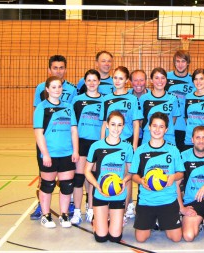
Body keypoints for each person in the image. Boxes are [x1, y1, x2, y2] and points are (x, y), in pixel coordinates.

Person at [31, 55, 77, 220]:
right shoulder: (40, 88)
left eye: (61, 67)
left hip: (65, 142)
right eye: (55, 68)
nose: (58, 70)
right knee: (46, 176)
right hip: (47, 142)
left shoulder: (72, 89)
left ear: (65, 69)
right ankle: (42, 208)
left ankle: (67, 206)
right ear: (49, 69)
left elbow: (72, 115)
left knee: (67, 180)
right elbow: (39, 113)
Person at [129, 112, 184, 243]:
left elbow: (181, 173)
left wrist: (173, 177)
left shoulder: (173, 150)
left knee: (176, 238)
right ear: (149, 127)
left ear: (166, 129)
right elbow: (133, 175)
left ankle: (162, 221)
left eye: (161, 126)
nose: (157, 130)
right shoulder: (140, 151)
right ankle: (154, 221)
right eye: (154, 126)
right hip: (147, 201)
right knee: (141, 239)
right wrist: (141, 181)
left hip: (168, 200)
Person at [84, 111, 133, 243]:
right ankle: (97, 221)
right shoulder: (96, 146)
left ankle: (112, 219)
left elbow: (131, 172)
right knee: (101, 237)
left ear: (123, 127)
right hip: (101, 193)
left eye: (119, 125)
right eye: (113, 124)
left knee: (115, 237)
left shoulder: (127, 148)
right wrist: (96, 185)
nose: (116, 129)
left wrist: (124, 181)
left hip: (118, 193)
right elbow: (87, 171)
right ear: (106, 125)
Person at [70, 69, 104, 225]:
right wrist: (75, 149)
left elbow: (105, 125)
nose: (91, 83)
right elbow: (73, 126)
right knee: (79, 178)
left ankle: (91, 209)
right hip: (82, 142)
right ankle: (77, 211)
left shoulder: (104, 100)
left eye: (94, 80)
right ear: (84, 82)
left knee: (93, 179)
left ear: (99, 82)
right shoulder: (77, 100)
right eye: (88, 80)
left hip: (96, 144)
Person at [99, 66, 142, 150]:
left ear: (126, 80)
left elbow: (136, 124)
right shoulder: (106, 99)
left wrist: (135, 145)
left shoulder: (133, 99)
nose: (117, 81)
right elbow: (104, 124)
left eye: (121, 78)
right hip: (109, 141)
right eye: (115, 78)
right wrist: (101, 143)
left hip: (127, 140)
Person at [139, 67, 180, 145]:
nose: (160, 81)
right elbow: (140, 121)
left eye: (163, 78)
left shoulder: (173, 99)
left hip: (168, 138)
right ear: (151, 80)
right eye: (156, 78)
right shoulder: (144, 99)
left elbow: (173, 120)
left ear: (166, 80)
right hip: (149, 137)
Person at [166, 50, 194, 152]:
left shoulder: (194, 80)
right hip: (169, 127)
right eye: (177, 61)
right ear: (174, 62)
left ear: (188, 63)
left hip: (186, 127)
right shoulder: (166, 78)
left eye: (183, 61)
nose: (180, 64)